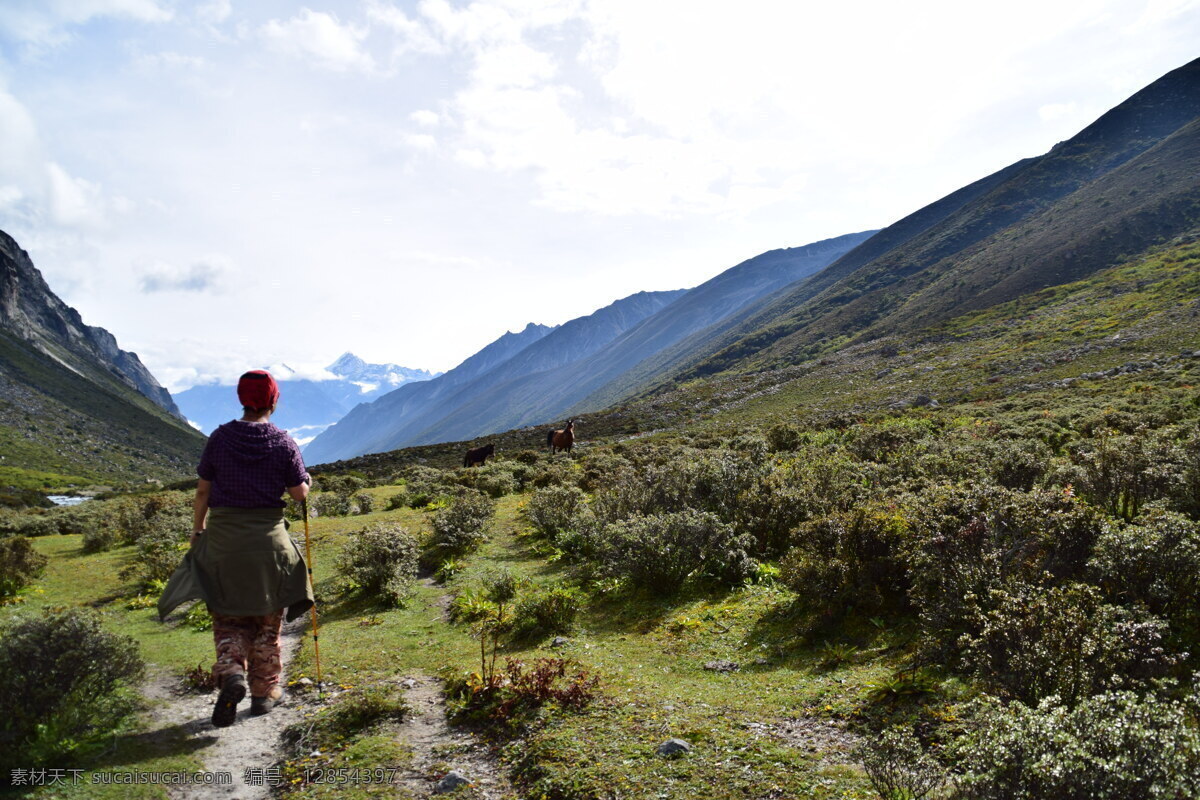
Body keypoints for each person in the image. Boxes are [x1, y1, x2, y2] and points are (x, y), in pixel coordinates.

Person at [158, 369, 314, 727]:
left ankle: (231, 673)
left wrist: (197, 530)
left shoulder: (219, 439)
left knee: (229, 617)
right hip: (268, 545)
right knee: (267, 623)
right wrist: (306, 479)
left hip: (224, 542)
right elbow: (299, 493)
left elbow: (202, 491)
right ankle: (264, 694)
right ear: (274, 400)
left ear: (241, 399)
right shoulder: (283, 441)